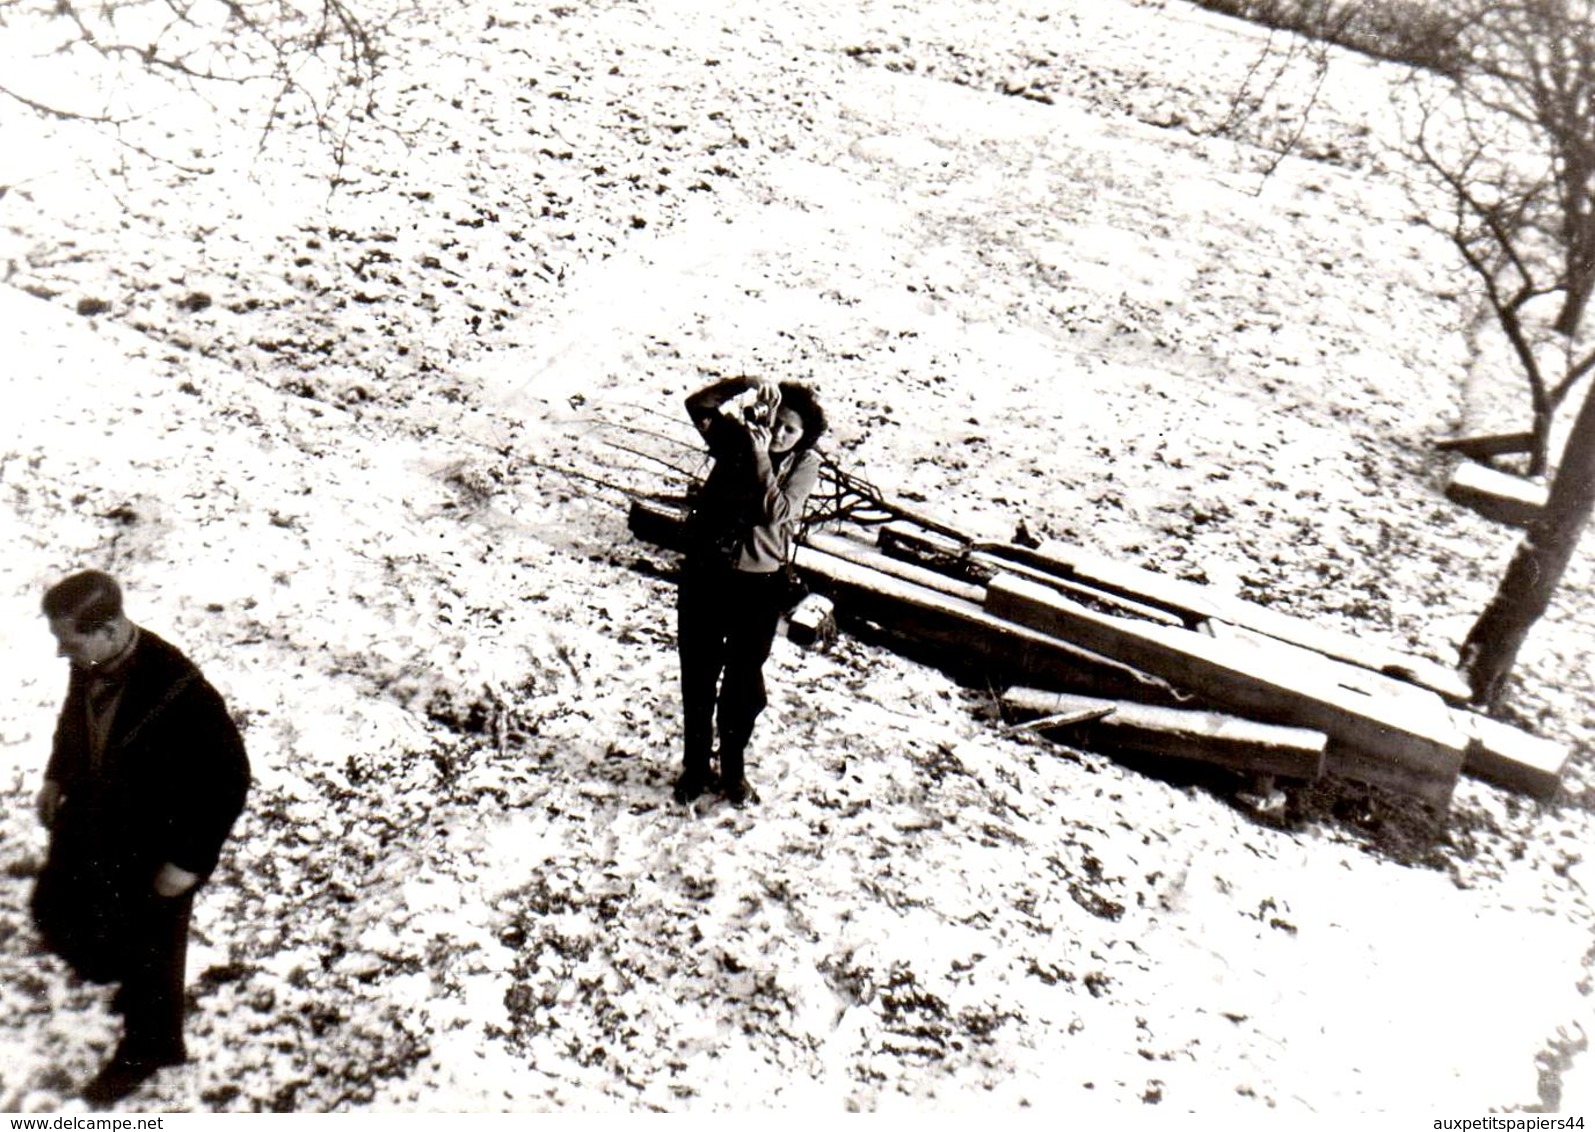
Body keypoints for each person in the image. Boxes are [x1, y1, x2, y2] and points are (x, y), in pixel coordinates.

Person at [29, 570, 250, 1106]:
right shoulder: (96, 661)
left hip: (160, 845)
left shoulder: (181, 693)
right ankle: (122, 970)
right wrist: (57, 773)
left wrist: (188, 863)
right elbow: (74, 721)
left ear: (107, 628)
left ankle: (150, 1048)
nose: (62, 654)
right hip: (98, 820)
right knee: (54, 910)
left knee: (153, 950)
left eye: (70, 641)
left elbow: (229, 778)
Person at [675, 374, 827, 807]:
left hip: (758, 587)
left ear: (803, 438)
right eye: (776, 422)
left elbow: (775, 512)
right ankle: (696, 767)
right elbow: (698, 406)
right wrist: (741, 384)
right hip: (706, 577)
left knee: (743, 684)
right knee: (699, 675)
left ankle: (734, 771)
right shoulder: (736, 441)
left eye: (790, 430)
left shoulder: (803, 465)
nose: (778, 433)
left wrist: (761, 454)